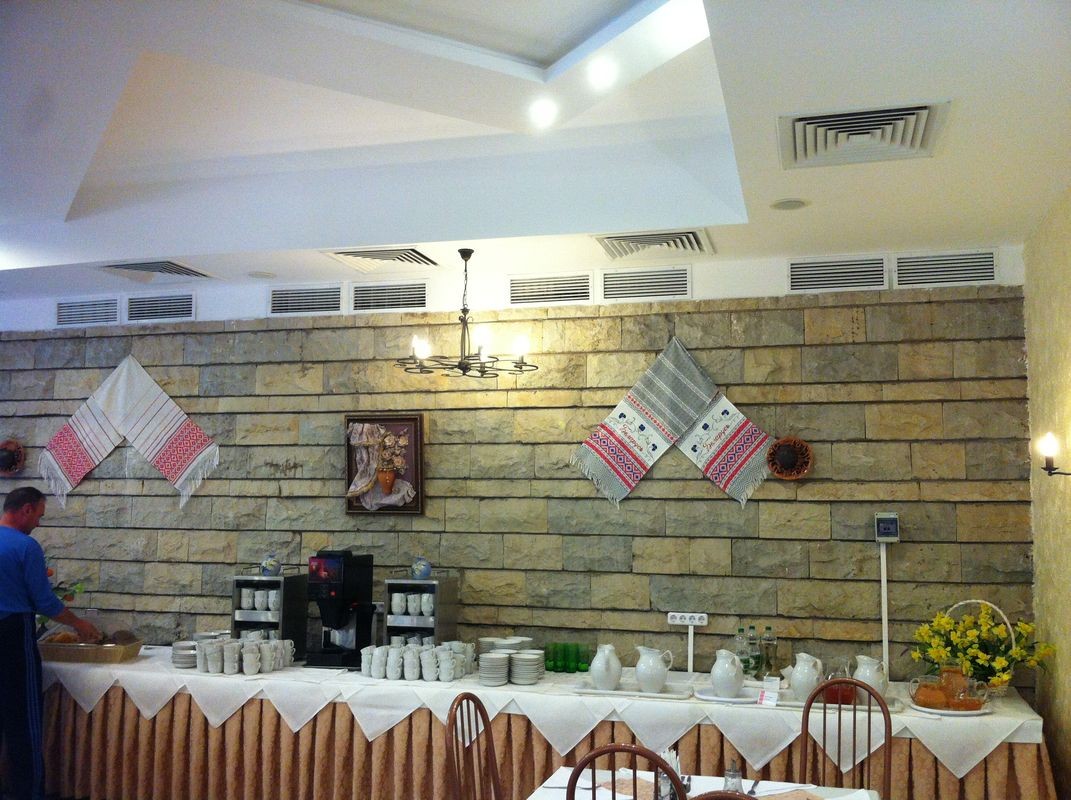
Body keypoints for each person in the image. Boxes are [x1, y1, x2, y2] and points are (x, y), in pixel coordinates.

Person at [0, 486, 101, 800]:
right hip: (12, 635)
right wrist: (80, 624)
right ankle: (28, 793)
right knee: (23, 720)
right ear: (26, 509)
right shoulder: (25, 546)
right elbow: (44, 601)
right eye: (39, 515)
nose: (39, 523)